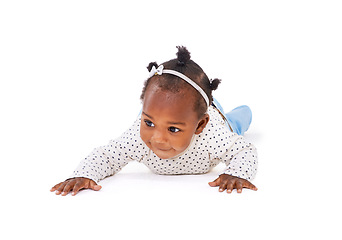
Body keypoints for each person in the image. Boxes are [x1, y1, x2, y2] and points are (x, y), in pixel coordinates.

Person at [50, 46, 258, 196]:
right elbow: (107, 155)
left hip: (217, 115)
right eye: (149, 122)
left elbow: (244, 150)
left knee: (237, 121)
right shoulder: (137, 139)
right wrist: (85, 174)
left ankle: (241, 112)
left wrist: (236, 173)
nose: (157, 139)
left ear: (200, 126)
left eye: (173, 129)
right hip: (189, 109)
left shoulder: (213, 135)